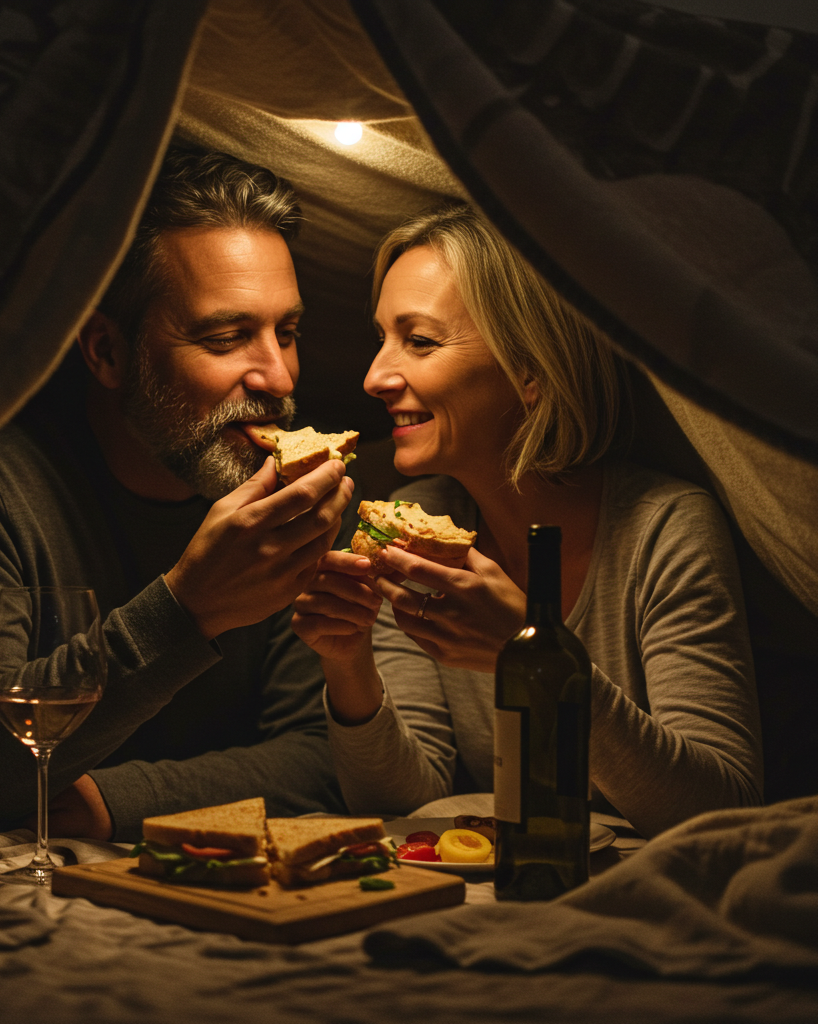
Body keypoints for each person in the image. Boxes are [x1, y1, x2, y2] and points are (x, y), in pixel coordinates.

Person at [0, 149, 355, 841]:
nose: (279, 378)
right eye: (227, 338)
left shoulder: (302, 495)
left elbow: (326, 756)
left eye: (286, 333)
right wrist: (186, 610)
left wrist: (114, 801)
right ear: (105, 351)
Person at [292, 202, 763, 839]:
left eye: (420, 341)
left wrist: (539, 661)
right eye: (382, 338)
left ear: (531, 370)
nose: (375, 377)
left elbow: (724, 814)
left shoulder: (663, 530)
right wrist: (348, 663)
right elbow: (403, 800)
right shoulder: (409, 528)